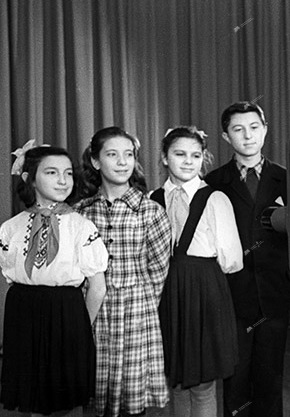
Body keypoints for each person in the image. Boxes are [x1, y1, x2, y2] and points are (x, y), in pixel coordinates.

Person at [0, 143, 107, 416]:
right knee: (33, 399)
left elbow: (97, 287)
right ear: (30, 178)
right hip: (24, 317)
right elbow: (9, 281)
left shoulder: (81, 227)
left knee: (66, 402)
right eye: (51, 172)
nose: (62, 180)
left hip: (67, 317)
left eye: (68, 173)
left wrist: (78, 327)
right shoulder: (11, 228)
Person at [204, 101, 290, 417]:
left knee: (271, 378)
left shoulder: (288, 178)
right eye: (238, 130)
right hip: (231, 295)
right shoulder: (214, 182)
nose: (248, 136)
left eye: (254, 127)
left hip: (275, 293)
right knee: (235, 378)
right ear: (226, 136)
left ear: (265, 130)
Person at [76, 127, 172, 416]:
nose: (122, 162)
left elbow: (158, 268)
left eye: (128, 155)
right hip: (93, 314)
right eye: (112, 154)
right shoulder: (82, 212)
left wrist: (140, 304)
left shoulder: (150, 210)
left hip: (136, 317)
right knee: (97, 396)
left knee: (132, 403)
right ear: (95, 161)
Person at [149, 126, 243, 416]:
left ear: (204, 159)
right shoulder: (151, 199)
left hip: (204, 293)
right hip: (165, 294)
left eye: (196, 155)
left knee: (203, 384)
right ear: (165, 157)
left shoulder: (216, 199)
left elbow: (231, 260)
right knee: (175, 380)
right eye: (179, 154)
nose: (189, 161)